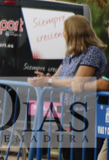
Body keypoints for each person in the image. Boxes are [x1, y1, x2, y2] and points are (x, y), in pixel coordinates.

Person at [29, 15, 107, 160]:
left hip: (87, 114)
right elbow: (57, 79)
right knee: (67, 154)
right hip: (69, 114)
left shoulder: (92, 52)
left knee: (82, 155)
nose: (62, 34)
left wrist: (50, 82)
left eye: (64, 30)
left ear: (73, 32)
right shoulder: (70, 54)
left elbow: (77, 82)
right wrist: (45, 79)